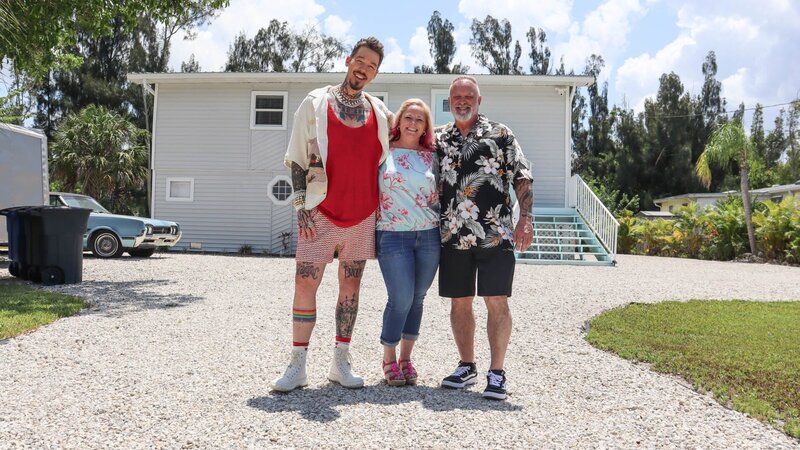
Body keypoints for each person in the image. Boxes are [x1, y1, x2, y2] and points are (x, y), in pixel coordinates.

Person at [272, 37, 393, 392]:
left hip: (363, 213)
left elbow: (407, 141)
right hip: (319, 210)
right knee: (305, 282)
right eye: (360, 60)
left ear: (375, 73)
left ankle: (341, 361)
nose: (364, 69)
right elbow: (296, 157)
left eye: (372, 66)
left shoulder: (380, 112)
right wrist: (300, 206)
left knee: (350, 287)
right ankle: (298, 364)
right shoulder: (315, 102)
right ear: (348, 60)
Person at [436, 76, 534, 400]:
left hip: (496, 233)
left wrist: (526, 219)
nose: (462, 101)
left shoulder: (500, 135)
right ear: (449, 102)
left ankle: (497, 373)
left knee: (496, 301)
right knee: (459, 302)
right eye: (456, 97)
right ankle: (467, 365)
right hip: (452, 235)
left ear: (480, 101)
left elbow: (522, 176)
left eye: (468, 96)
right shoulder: (440, 139)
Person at [375, 99, 440, 386]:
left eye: (420, 119)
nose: (413, 123)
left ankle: (406, 358)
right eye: (408, 118)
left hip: (428, 235)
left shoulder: (432, 157)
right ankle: (388, 357)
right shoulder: (381, 152)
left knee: (417, 299)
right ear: (398, 122)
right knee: (400, 298)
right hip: (392, 234)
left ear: (426, 126)